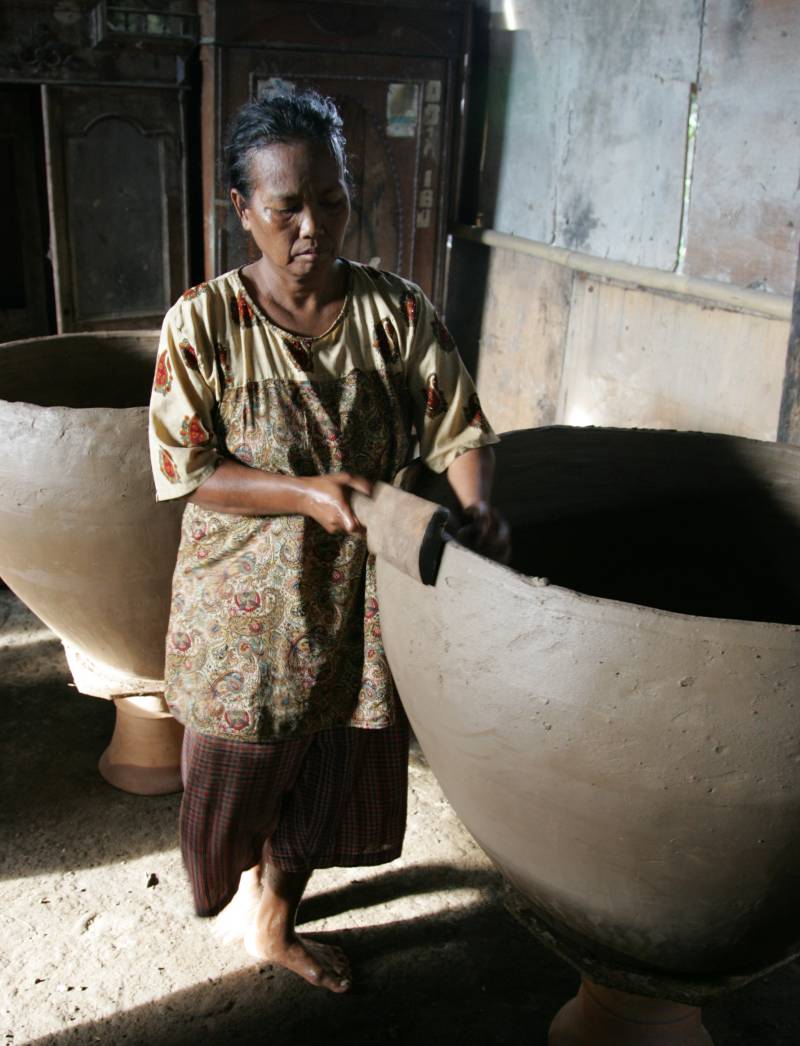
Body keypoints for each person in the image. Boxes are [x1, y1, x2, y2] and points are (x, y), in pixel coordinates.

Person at [148, 90, 508, 994]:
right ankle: (235, 887)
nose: (315, 226)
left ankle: (277, 915)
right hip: (245, 612)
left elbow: (457, 429)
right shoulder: (204, 323)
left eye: (334, 200)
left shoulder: (395, 313)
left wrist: (478, 509)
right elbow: (187, 468)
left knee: (332, 768)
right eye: (287, 207)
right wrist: (304, 493)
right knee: (235, 777)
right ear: (242, 210)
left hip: (358, 599)